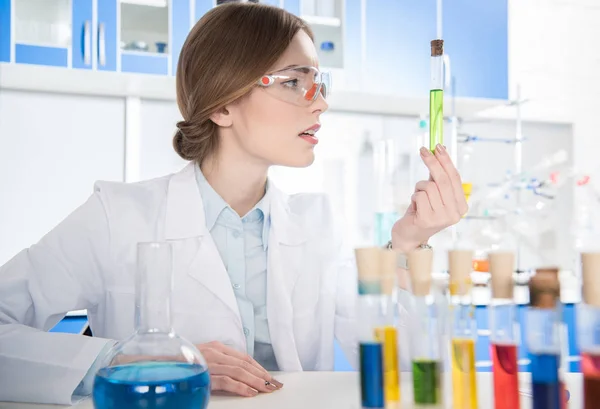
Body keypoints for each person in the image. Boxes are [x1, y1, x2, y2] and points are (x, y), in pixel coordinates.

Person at [0, 2, 468, 405]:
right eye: (293, 81)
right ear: (222, 106)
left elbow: (405, 366)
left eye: (319, 82)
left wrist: (409, 244)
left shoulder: (317, 222)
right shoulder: (117, 214)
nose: (320, 102)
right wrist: (122, 358)